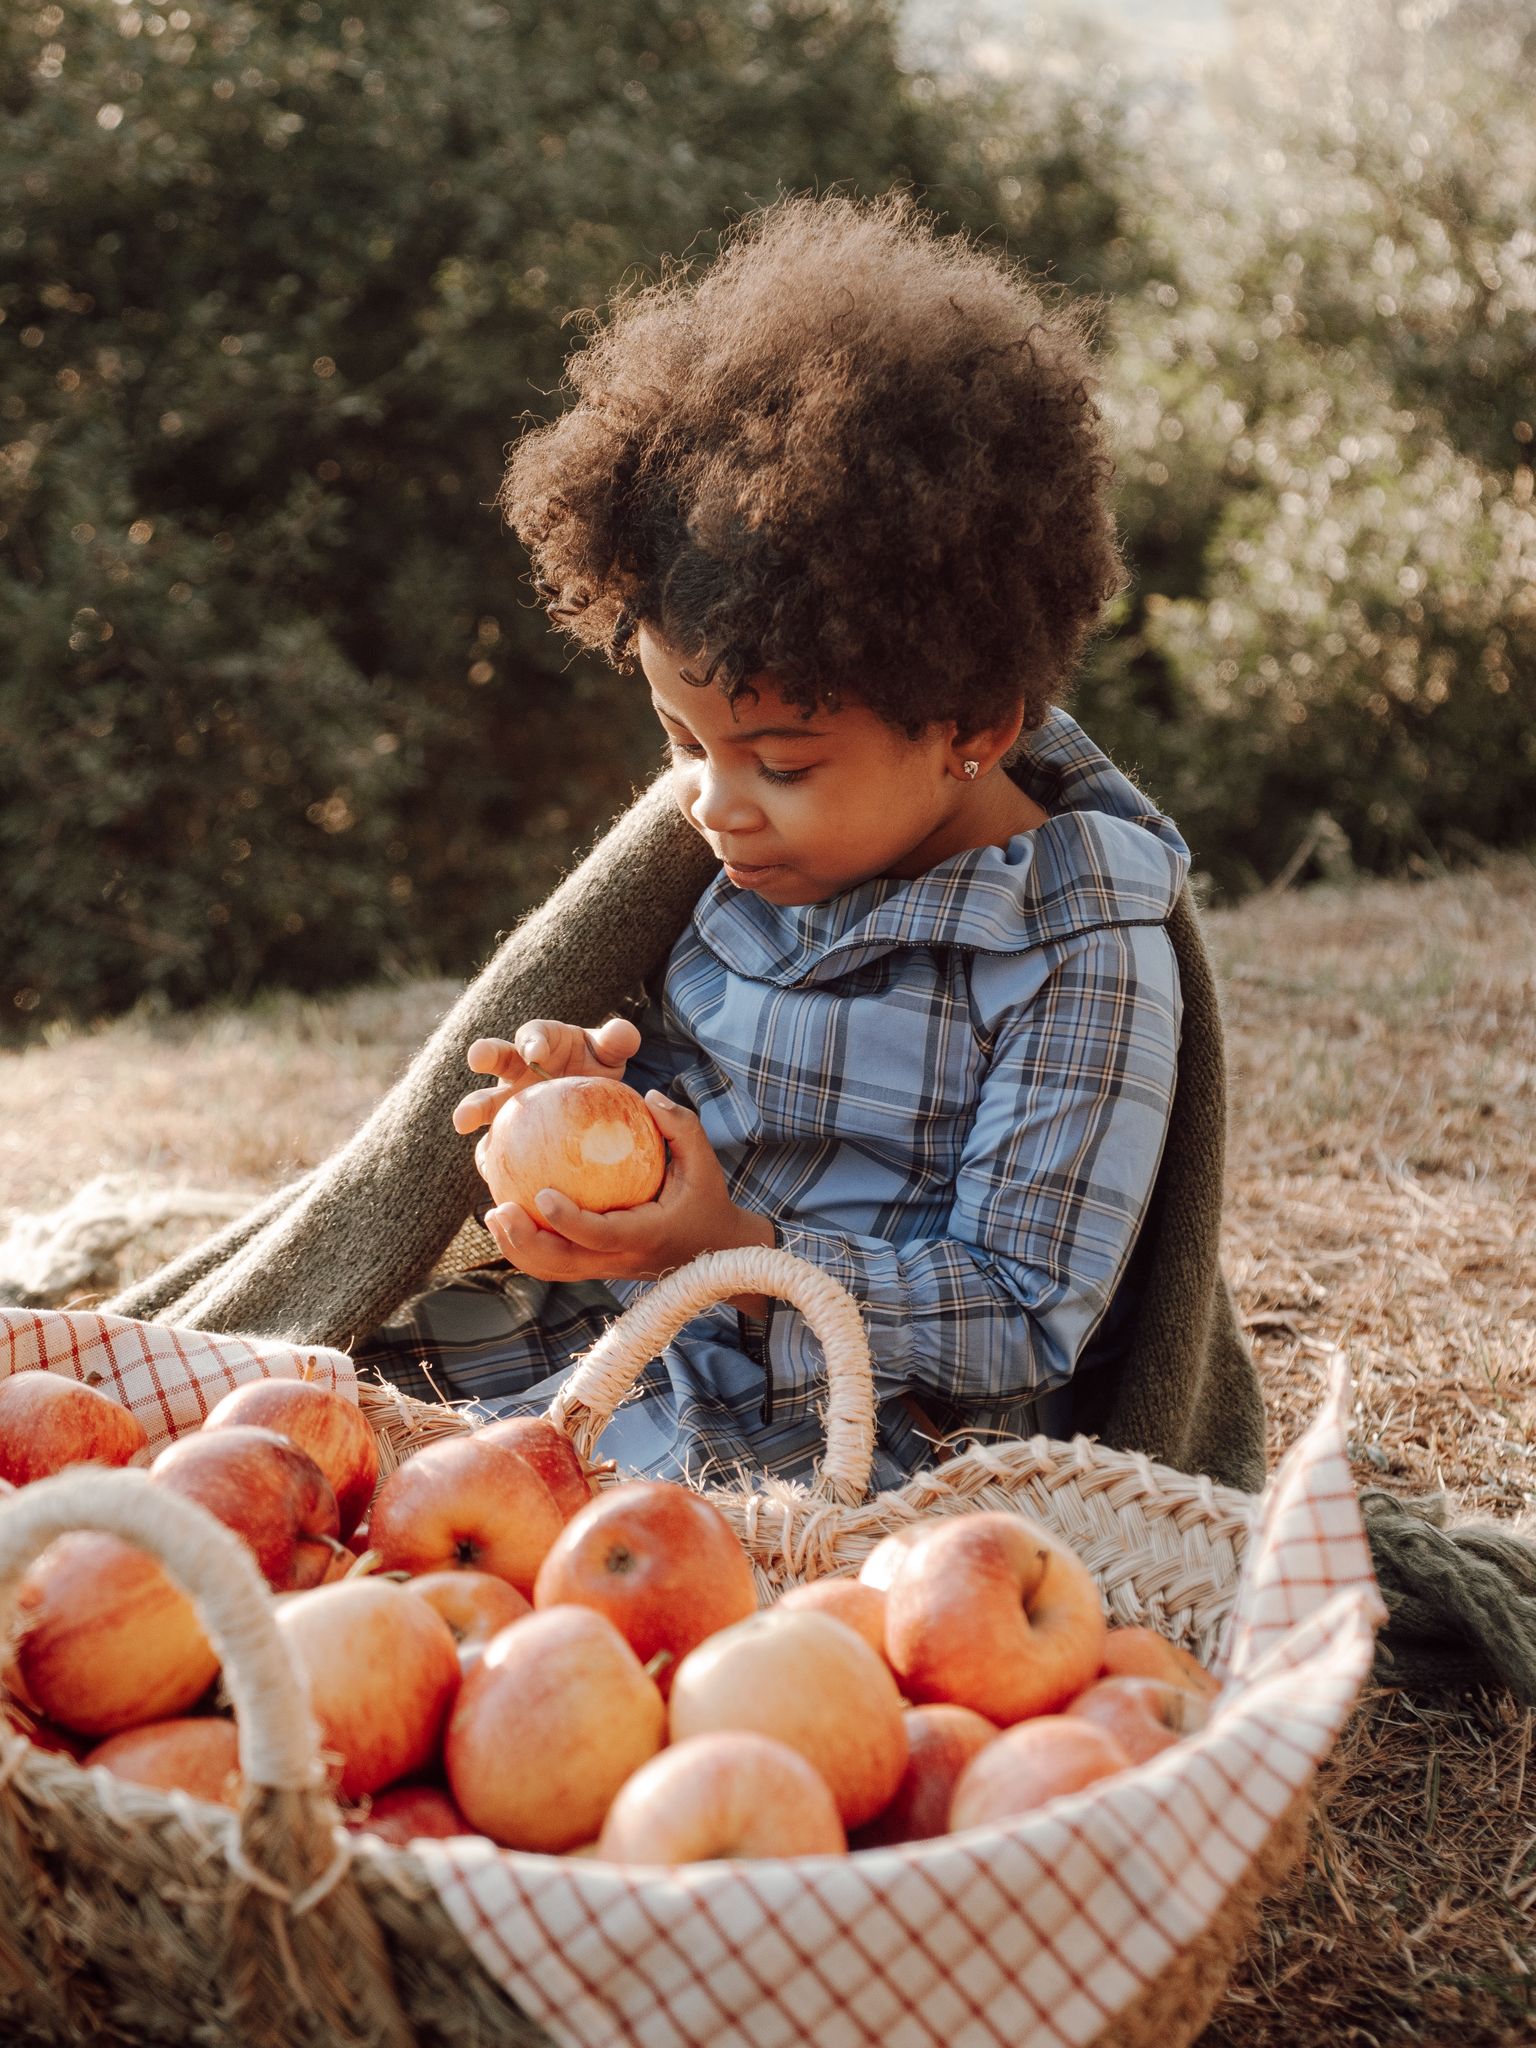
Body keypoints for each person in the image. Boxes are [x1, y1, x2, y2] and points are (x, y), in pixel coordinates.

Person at [354, 189, 1190, 1491]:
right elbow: (689, 1116)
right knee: (310, 1409)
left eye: (781, 764)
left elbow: (1027, 1310)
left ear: (970, 724)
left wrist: (729, 1250)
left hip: (865, 1425)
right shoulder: (742, 862)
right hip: (634, 1333)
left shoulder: (1077, 951)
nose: (713, 805)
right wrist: (592, 1111)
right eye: (684, 743)